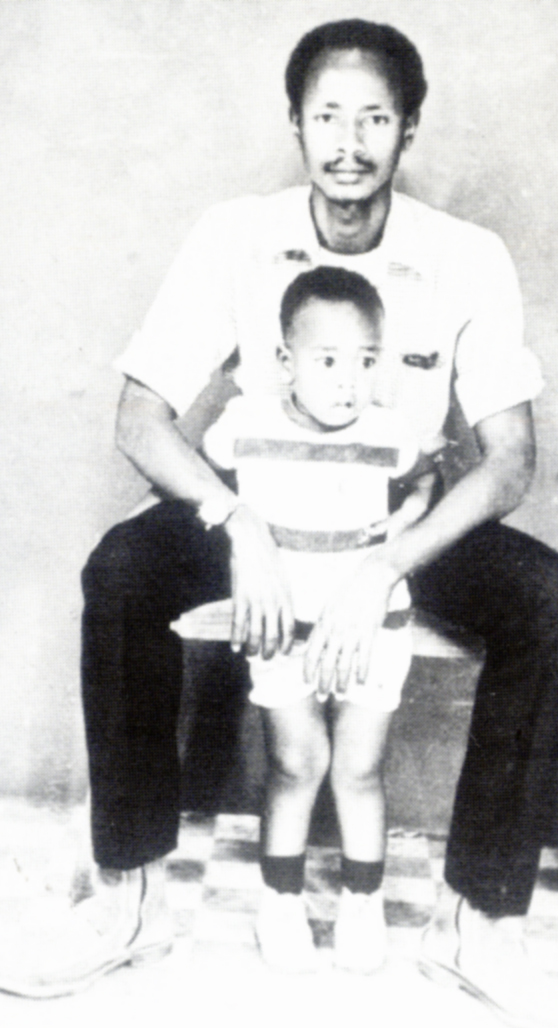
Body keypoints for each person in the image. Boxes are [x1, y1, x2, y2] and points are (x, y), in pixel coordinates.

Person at [0, 18, 558, 1021]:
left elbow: (509, 460)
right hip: (261, 509)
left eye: (375, 119)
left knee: (554, 601)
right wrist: (239, 525)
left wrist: (388, 563)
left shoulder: (465, 254)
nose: (349, 143)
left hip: (396, 516)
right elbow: (139, 418)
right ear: (295, 124)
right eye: (327, 117)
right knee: (121, 571)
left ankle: (478, 922)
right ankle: (130, 898)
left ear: (409, 129)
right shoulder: (233, 234)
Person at [203, 265, 436, 974]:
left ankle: (363, 902)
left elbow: (428, 478)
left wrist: (406, 520)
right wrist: (231, 527)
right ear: (285, 361)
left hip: (371, 629)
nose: (349, 382)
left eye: (366, 361)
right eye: (328, 361)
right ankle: (281, 902)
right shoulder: (244, 426)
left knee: (359, 768)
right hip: (283, 628)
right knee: (296, 761)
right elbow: (195, 479)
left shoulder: (388, 431)